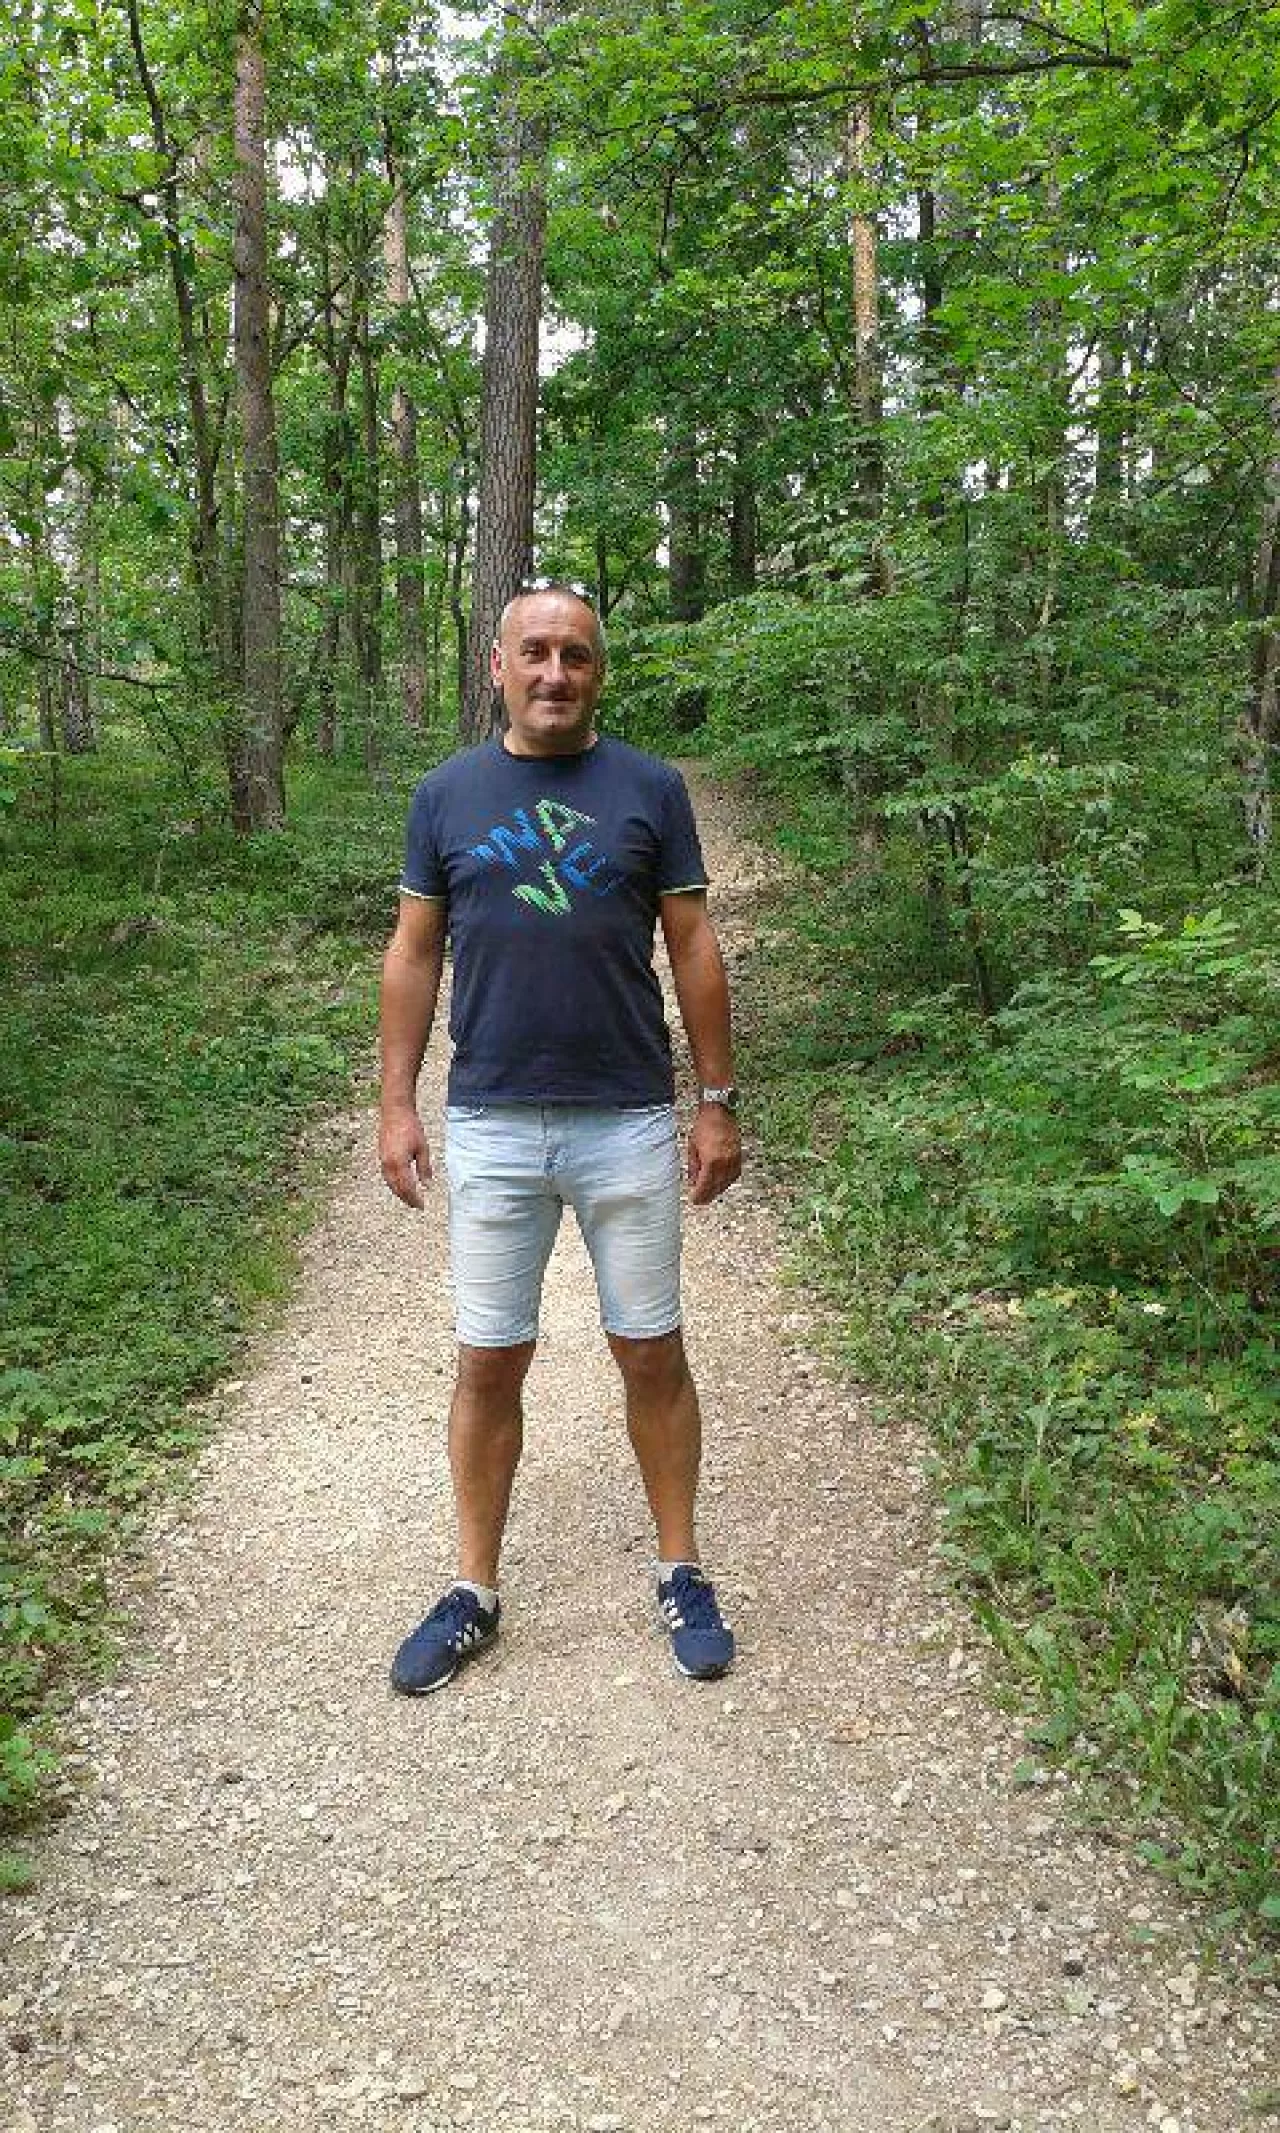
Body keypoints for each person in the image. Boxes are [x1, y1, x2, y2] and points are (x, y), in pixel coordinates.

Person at [378, 581, 742, 1694]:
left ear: (597, 671)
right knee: (490, 1358)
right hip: (491, 1120)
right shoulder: (446, 794)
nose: (554, 673)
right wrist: (396, 1102)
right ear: (497, 665)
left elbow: (691, 943)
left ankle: (680, 1568)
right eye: (533, 652)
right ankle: (473, 1589)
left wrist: (716, 1099)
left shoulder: (649, 788)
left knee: (651, 1347)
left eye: (575, 654)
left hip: (625, 1116)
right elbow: (413, 953)